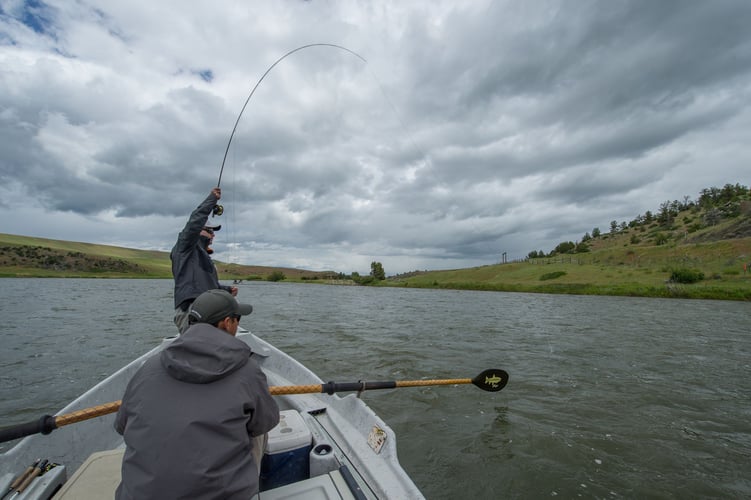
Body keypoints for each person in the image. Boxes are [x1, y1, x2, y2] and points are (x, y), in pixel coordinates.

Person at [114, 289, 280, 500]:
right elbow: (266, 422)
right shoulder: (247, 371)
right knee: (258, 430)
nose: (238, 325)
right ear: (227, 323)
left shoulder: (151, 366)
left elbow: (121, 426)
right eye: (237, 319)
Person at [171, 187, 238, 333]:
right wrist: (211, 199)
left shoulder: (203, 255)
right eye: (209, 231)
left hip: (209, 309)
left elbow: (205, 286)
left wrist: (226, 289)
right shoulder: (185, 246)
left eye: (213, 232)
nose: (213, 235)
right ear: (198, 231)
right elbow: (194, 222)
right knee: (198, 348)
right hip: (192, 309)